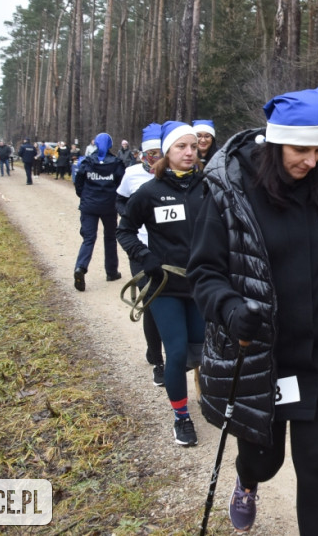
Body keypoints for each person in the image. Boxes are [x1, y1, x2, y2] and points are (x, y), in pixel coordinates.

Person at [187, 89, 318, 535]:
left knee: (316, 462)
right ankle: (248, 481)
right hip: (261, 354)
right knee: (264, 460)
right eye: (301, 150)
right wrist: (229, 308)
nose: (311, 160)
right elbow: (204, 273)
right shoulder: (228, 192)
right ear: (275, 144)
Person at [118, 121, 207, 446]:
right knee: (178, 349)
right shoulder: (150, 193)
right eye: (181, 147)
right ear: (166, 152)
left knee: (200, 350)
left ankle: (204, 396)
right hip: (165, 285)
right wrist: (145, 255)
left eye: (193, 147)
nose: (188, 152)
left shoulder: (207, 187)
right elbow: (124, 230)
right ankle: (181, 418)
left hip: (200, 284)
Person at [116, 123, 166, 388]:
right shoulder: (132, 174)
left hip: (166, 246)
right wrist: (132, 215)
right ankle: (158, 360)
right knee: (151, 301)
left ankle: (165, 352)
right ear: (143, 154)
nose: (154, 158)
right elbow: (120, 199)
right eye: (151, 153)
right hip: (139, 246)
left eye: (159, 153)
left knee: (168, 300)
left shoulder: (173, 174)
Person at [73, 132, 126, 292]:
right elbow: (121, 184)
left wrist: (84, 196)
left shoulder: (87, 161)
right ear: (110, 145)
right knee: (110, 238)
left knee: (88, 238)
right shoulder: (116, 163)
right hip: (109, 206)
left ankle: (80, 268)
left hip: (89, 205)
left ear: (95, 144)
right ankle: (111, 272)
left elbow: (79, 182)